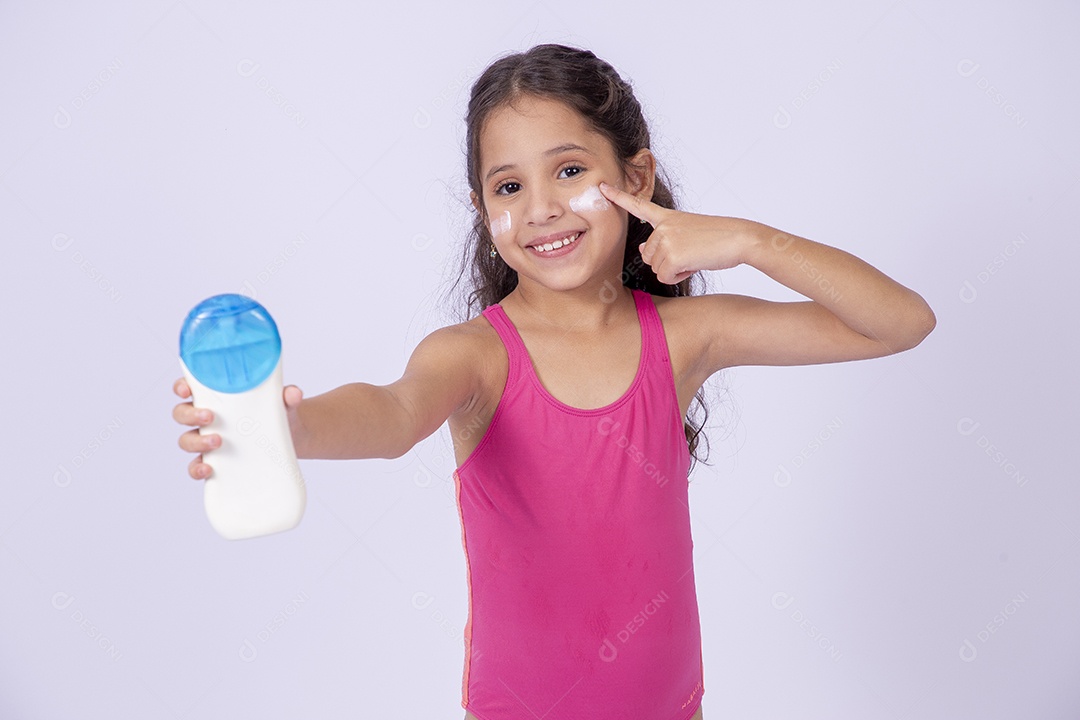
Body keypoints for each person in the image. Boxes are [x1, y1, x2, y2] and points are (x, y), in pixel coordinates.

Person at [172, 44, 935, 720]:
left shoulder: (684, 337)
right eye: (507, 188)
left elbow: (899, 322)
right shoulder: (475, 354)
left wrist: (747, 240)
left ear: (636, 175)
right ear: (482, 210)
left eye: (569, 171)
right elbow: (392, 413)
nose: (540, 209)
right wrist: (291, 429)